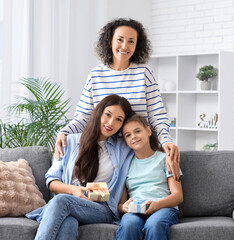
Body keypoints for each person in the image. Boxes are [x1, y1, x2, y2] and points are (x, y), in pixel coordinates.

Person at [54, 18, 180, 180]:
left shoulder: (144, 73)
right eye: (120, 40)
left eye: (131, 42)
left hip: (138, 148)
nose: (124, 46)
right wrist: (64, 132)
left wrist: (166, 141)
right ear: (109, 41)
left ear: (137, 45)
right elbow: (85, 116)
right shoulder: (96, 75)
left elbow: (157, 115)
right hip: (108, 152)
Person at [26, 95, 135, 240]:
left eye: (118, 120)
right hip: (69, 202)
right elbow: (52, 181)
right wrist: (74, 190)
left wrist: (167, 145)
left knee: (61, 201)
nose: (111, 122)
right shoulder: (69, 141)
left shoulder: (123, 147)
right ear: (99, 113)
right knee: (68, 222)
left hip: (101, 208)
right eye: (107, 114)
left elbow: (146, 138)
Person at [116, 114, 183, 240]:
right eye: (128, 135)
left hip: (164, 208)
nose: (133, 137)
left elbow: (178, 196)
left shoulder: (165, 159)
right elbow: (121, 204)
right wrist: (123, 207)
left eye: (137, 131)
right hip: (135, 211)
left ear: (148, 131)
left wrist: (156, 205)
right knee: (129, 225)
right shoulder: (125, 165)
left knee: (154, 224)